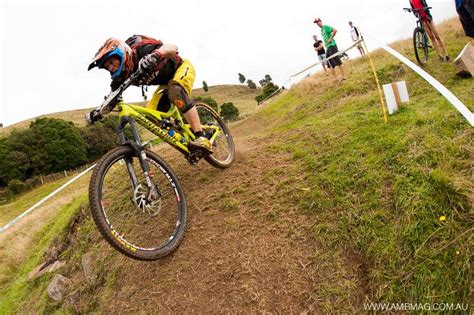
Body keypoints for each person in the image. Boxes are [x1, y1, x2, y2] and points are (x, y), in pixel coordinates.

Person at [87, 35, 213, 154]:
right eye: (107, 66)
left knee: (175, 91)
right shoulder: (120, 77)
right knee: (150, 116)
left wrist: (157, 54)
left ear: (121, 53)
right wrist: (98, 112)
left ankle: (201, 137)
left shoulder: (140, 50)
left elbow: (173, 48)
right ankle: (187, 136)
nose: (110, 67)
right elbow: (111, 98)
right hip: (165, 85)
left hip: (181, 68)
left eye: (111, 61)